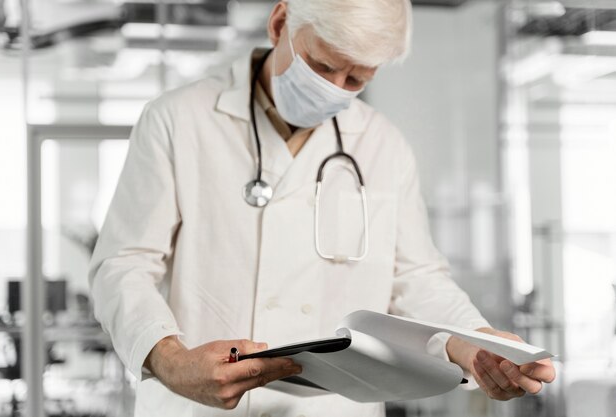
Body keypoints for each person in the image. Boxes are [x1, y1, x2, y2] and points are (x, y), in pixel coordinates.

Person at [88, 0, 556, 416]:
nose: (335, 88)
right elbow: (123, 264)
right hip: (196, 408)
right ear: (280, 23)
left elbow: (416, 279)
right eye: (321, 65)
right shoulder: (178, 119)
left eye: (356, 77)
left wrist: (475, 345)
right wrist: (171, 360)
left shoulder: (382, 145)